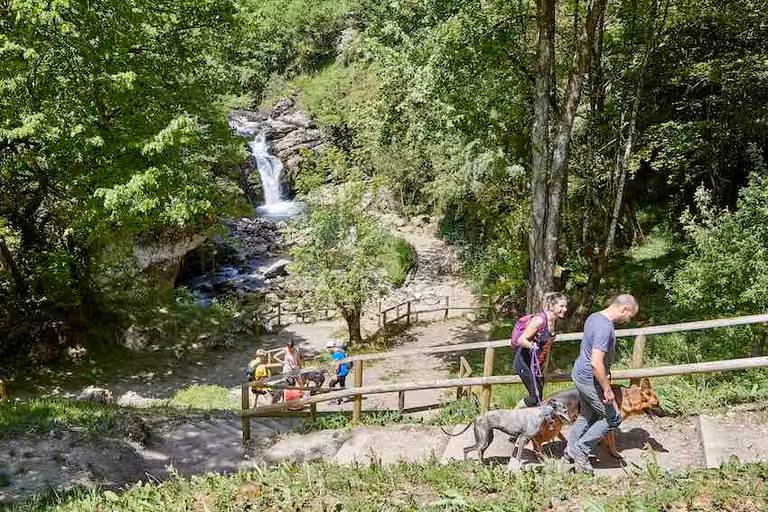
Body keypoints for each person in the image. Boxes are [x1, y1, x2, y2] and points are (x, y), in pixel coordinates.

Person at [565, 294, 639, 474]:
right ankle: (580, 450)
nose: (628, 320)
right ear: (624, 309)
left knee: (587, 415)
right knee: (612, 417)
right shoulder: (604, 328)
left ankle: (569, 452)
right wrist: (607, 389)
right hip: (591, 379)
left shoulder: (594, 317)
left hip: (581, 374)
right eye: (629, 316)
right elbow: (596, 362)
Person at [512, 292, 569, 409]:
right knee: (535, 398)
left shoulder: (553, 322)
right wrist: (532, 346)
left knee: (538, 397)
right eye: (561, 306)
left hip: (537, 364)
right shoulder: (539, 320)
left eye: (565, 306)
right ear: (551, 307)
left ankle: (529, 421)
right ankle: (513, 414)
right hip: (524, 362)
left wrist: (544, 368)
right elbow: (521, 340)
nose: (565, 309)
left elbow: (547, 347)